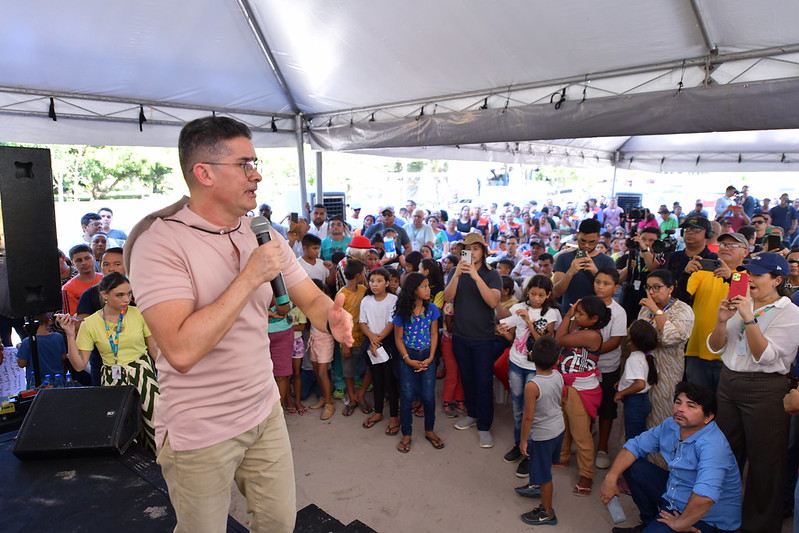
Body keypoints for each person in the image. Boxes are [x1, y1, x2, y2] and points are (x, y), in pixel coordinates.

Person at [126, 116, 354, 533]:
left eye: (256, 163)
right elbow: (180, 350)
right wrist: (249, 276)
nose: (258, 174)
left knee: (278, 524)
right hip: (199, 427)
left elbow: (310, 298)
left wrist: (331, 317)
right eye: (246, 164)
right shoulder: (159, 244)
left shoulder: (261, 232)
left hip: (263, 409)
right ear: (204, 173)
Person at [708, 252, 799, 532]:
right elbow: (715, 346)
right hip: (729, 382)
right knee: (725, 456)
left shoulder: (791, 312)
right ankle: (722, 519)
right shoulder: (739, 304)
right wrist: (723, 320)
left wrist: (748, 318)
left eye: (758, 275)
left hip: (766, 389)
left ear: (777, 280)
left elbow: (766, 356)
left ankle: (759, 526)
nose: (750, 281)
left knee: (765, 464)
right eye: (748, 274)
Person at [600, 382, 742, 533]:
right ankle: (649, 523)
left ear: (708, 417)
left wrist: (680, 524)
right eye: (678, 402)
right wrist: (611, 477)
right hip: (678, 493)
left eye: (691, 406)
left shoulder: (713, 446)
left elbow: (705, 496)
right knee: (632, 465)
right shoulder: (672, 425)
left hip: (707, 519)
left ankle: (665, 527)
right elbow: (634, 446)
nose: (680, 409)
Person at [58, 273, 159, 453]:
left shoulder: (139, 314)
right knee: (122, 432)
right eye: (120, 295)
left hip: (143, 373)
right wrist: (70, 335)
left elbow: (155, 352)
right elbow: (80, 365)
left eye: (129, 294)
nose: (127, 299)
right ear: (104, 295)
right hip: (113, 379)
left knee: (156, 426)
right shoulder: (90, 323)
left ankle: (161, 471)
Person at [496, 275, 561, 478]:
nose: (536, 298)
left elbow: (544, 342)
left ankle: (530, 451)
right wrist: (502, 330)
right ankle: (519, 444)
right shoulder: (518, 307)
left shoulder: (551, 313)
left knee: (531, 412)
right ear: (527, 292)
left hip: (536, 367)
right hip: (516, 362)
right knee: (517, 407)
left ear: (548, 295)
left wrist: (529, 322)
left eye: (541, 295)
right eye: (533, 293)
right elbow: (513, 337)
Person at [444, 233, 502, 449]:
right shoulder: (454, 271)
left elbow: (493, 301)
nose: (472, 252)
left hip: (484, 338)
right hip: (460, 335)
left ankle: (484, 426)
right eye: (468, 249)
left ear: (483, 252)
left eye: (476, 248)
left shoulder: (491, 274)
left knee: (483, 382)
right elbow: (448, 298)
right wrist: (458, 275)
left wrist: (476, 277)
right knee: (467, 379)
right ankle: (473, 414)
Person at [554, 295, 610, 497]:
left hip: (581, 389)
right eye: (576, 312)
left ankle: (586, 474)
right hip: (568, 384)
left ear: (594, 319)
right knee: (564, 424)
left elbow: (558, 339)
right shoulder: (581, 329)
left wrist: (568, 315)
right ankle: (563, 456)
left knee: (581, 433)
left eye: (580, 313)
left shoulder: (592, 335)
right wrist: (572, 319)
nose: (576, 315)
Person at [682, 233, 748, 391]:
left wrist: (731, 277)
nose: (726, 248)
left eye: (732, 245)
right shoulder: (703, 271)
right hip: (697, 348)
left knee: (724, 408)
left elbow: (742, 298)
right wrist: (685, 274)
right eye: (723, 244)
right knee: (697, 403)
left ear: (745, 252)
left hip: (730, 353)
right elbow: (680, 298)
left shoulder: (749, 276)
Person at [514, 336, 564, 526]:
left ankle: (547, 512)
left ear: (532, 356)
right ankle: (536, 485)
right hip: (559, 428)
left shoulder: (532, 386)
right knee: (545, 466)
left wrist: (523, 440)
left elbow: (528, 417)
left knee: (545, 475)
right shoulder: (558, 375)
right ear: (557, 360)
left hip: (543, 435)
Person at [637, 270, 694, 437]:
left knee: (660, 417)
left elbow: (670, 338)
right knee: (638, 417)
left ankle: (658, 461)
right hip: (642, 371)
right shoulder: (645, 309)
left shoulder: (683, 310)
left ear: (670, 288)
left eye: (657, 287)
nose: (651, 292)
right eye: (648, 288)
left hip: (666, 373)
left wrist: (657, 311)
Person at [393, 272, 443, 453]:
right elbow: (398, 338)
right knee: (406, 396)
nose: (428, 289)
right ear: (413, 290)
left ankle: (429, 430)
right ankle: (407, 433)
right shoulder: (403, 311)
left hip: (427, 356)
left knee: (428, 396)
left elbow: (434, 334)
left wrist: (430, 358)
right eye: (424, 287)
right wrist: (408, 359)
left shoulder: (432, 310)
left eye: (428, 286)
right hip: (408, 356)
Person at [593, 267, 628, 469]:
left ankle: (603, 447)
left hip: (607, 368)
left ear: (616, 287)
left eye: (606, 284)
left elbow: (615, 342)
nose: (600, 286)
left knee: (607, 408)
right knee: (585, 404)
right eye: (598, 282)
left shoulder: (619, 312)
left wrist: (590, 351)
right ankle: (587, 435)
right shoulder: (586, 304)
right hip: (585, 368)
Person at [359, 268, 400, 435]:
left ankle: (394, 417)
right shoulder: (366, 300)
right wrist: (372, 339)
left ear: (387, 283)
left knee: (390, 380)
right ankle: (378, 412)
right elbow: (362, 322)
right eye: (372, 281)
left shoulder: (393, 299)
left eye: (379, 281)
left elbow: (392, 322)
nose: (374, 284)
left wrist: (379, 340)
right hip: (372, 344)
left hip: (388, 343)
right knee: (377, 379)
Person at [553, 218, 616, 315]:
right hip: (568, 314)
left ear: (599, 237)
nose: (586, 245)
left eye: (592, 242)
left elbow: (610, 293)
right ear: (577, 235)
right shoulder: (564, 258)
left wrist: (596, 273)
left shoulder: (607, 261)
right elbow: (556, 292)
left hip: (596, 315)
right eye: (582, 241)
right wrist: (570, 272)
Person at [614, 320, 659, 440]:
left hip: (635, 402)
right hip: (642, 401)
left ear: (631, 338)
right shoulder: (647, 355)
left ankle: (635, 459)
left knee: (634, 439)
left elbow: (639, 384)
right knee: (639, 435)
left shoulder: (634, 359)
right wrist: (623, 383)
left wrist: (621, 393)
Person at [337, 259, 368, 415]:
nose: (365, 275)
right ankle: (352, 397)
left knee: (368, 368)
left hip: (364, 338)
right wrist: (343, 344)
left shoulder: (364, 289)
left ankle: (360, 394)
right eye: (363, 273)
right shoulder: (341, 294)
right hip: (348, 341)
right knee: (348, 371)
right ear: (357, 275)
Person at [666, 216, 717, 304]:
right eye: (687, 229)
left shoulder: (713, 259)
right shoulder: (673, 257)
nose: (690, 232)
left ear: (708, 234)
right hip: (672, 306)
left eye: (696, 230)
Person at [16, 313, 66, 388]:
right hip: (58, 382)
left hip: (36, 384)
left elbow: (21, 363)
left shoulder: (27, 342)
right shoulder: (58, 337)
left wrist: (21, 348)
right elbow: (63, 357)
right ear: (49, 322)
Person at [61, 244, 103, 315]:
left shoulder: (106, 279)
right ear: (73, 263)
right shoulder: (68, 288)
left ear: (94, 258)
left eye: (87, 258)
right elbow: (72, 318)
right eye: (79, 260)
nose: (84, 263)